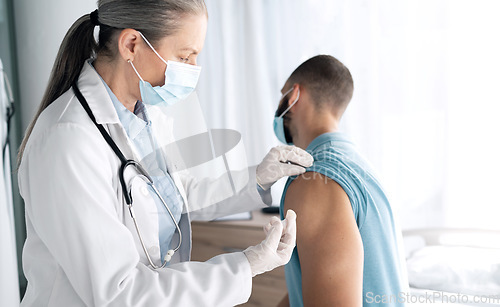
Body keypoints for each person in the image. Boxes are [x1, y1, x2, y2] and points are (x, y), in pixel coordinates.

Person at [16, 1, 314, 306]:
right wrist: (245, 266)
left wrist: (257, 179)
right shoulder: (69, 139)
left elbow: (175, 198)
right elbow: (120, 292)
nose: (193, 71)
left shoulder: (146, 118)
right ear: (131, 44)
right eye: (184, 57)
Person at [274, 55, 408, 306]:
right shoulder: (358, 164)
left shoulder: (316, 183)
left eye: (282, 95)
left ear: (294, 96)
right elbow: (310, 284)